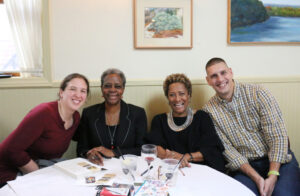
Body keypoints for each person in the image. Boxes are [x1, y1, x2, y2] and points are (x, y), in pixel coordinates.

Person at [203, 57, 300, 196]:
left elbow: (277, 136)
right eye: (214, 76)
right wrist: (257, 178)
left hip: (280, 161)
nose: (220, 79)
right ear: (208, 81)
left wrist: (272, 174)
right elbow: (228, 151)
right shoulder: (209, 111)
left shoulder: (258, 92)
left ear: (230, 72)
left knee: (283, 194)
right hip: (245, 168)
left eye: (223, 73)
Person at [0, 73, 90, 188]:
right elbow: (12, 150)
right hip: (8, 172)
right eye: (73, 89)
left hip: (39, 167)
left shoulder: (76, 117)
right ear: (61, 92)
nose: (78, 95)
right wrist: (40, 175)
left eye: (83, 91)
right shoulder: (43, 113)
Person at [146, 73, 225, 172]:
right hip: (170, 171)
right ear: (168, 98)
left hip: (199, 172)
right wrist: (172, 157)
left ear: (189, 95)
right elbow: (155, 148)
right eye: (172, 95)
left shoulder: (202, 117)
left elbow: (212, 150)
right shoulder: (159, 120)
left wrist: (185, 157)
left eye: (182, 93)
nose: (177, 99)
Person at [74, 68, 147, 166]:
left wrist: (114, 152)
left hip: (127, 168)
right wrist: (89, 153)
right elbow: (81, 149)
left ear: (123, 89)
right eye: (107, 86)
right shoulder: (89, 113)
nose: (112, 90)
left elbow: (142, 149)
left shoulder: (138, 113)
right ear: (102, 88)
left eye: (117, 86)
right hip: (97, 167)